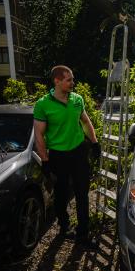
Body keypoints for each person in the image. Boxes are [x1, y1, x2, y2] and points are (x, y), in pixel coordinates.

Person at [33, 65, 101, 247]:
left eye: (72, 79)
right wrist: (45, 161)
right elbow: (39, 135)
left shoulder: (77, 99)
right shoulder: (42, 105)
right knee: (61, 195)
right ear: (57, 81)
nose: (73, 83)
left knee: (82, 194)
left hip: (79, 153)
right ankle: (64, 227)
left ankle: (83, 234)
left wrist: (94, 143)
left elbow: (86, 121)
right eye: (69, 80)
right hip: (58, 156)